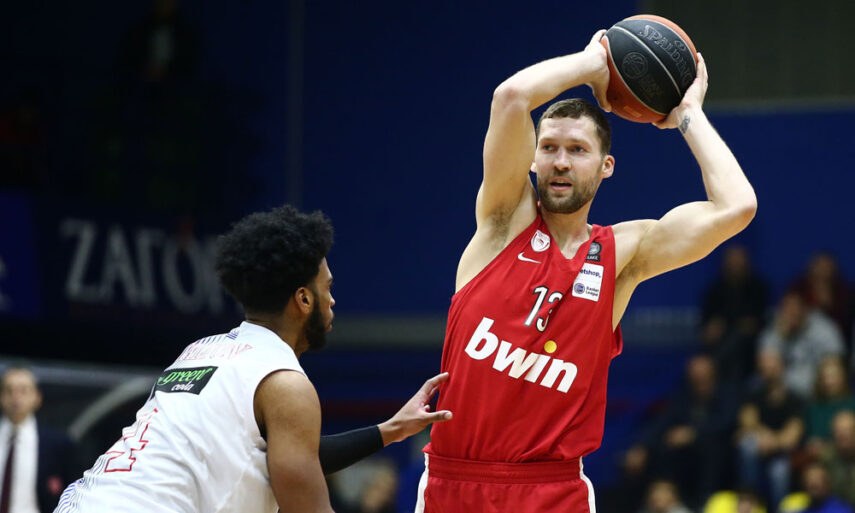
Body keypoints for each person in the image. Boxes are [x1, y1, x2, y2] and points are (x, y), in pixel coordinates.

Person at [417, 29, 757, 512]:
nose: (561, 162)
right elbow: (511, 97)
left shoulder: (623, 254)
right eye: (549, 148)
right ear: (532, 159)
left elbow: (737, 207)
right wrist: (593, 63)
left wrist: (687, 114)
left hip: (553, 492)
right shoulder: (501, 224)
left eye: (577, 150)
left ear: (606, 166)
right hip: (456, 485)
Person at [54, 205, 452, 513]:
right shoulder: (285, 382)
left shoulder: (200, 351)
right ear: (303, 299)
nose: (332, 300)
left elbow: (289, 456)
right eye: (327, 288)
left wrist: (389, 430)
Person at [623, 354, 739, 509]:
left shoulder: (727, 394)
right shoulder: (684, 397)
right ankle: (662, 501)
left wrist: (693, 433)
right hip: (685, 456)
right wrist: (641, 446)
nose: (699, 382)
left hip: (719, 454)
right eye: (695, 379)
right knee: (662, 448)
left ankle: (703, 504)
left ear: (714, 375)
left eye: (704, 378)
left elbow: (727, 423)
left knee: (712, 451)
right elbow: (662, 422)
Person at [0, 366, 78, 513]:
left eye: (23, 390)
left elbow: (73, 494)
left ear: (37, 397)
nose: (15, 397)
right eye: (9, 390)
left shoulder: (58, 444)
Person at [735, 348, 805, 510]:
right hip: (757, 448)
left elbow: (791, 437)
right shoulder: (753, 394)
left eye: (772, 365)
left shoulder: (795, 399)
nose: (768, 369)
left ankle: (778, 509)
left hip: (782, 453)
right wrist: (764, 436)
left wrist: (772, 441)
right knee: (747, 445)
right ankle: (749, 497)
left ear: (782, 367)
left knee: (779, 472)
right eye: (764, 366)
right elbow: (747, 422)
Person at [758, 291, 845, 399]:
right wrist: (780, 337)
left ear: (805, 309)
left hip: (817, 389)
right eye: (788, 310)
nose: (792, 314)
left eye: (796, 309)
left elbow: (836, 360)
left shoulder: (822, 327)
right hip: (783, 392)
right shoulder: (775, 329)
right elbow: (766, 362)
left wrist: (820, 380)